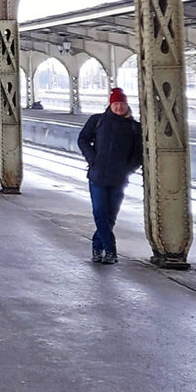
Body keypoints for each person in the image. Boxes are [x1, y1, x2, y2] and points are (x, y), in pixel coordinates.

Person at [77, 87, 143, 264]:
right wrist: (93, 159)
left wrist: (128, 169)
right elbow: (83, 139)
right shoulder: (97, 120)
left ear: (126, 105)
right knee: (100, 213)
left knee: (110, 216)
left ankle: (97, 248)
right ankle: (111, 250)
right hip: (97, 175)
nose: (119, 107)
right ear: (110, 104)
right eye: (116, 104)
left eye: (122, 104)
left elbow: (138, 154)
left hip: (119, 178)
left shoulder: (134, 128)